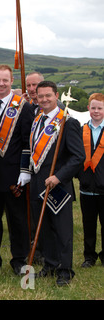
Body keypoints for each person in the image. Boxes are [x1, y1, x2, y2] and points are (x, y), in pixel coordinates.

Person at [30, 81, 85, 286]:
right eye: (40, 96)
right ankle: (50, 265)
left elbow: (78, 156)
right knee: (44, 228)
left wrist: (58, 177)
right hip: (38, 183)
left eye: (48, 96)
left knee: (62, 231)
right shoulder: (37, 120)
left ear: (56, 96)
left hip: (58, 185)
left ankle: (65, 271)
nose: (44, 100)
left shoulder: (67, 122)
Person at [0, 65, 34, 275]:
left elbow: (27, 141)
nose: (1, 84)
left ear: (11, 81)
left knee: (17, 219)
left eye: (5, 80)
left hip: (14, 174)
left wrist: (25, 170)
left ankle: (19, 260)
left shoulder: (24, 106)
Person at [77, 93, 104, 268]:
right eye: (93, 108)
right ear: (88, 109)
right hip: (86, 186)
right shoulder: (81, 130)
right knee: (88, 224)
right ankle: (89, 256)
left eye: (100, 108)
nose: (96, 111)